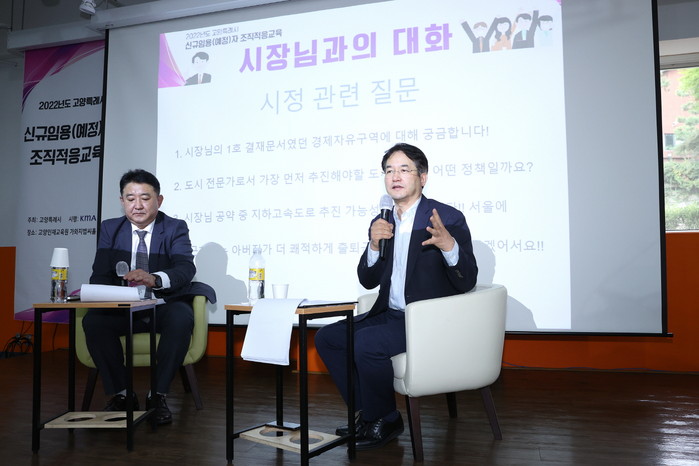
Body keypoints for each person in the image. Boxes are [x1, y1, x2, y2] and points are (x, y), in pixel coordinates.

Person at [315, 143, 478, 450]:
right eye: (389, 170)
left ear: (422, 177)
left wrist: (449, 246)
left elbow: (467, 280)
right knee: (328, 338)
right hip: (389, 314)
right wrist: (374, 245)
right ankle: (369, 414)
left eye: (404, 169)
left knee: (367, 343)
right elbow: (368, 280)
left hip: (426, 320)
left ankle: (386, 419)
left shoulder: (446, 218)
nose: (395, 176)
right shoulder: (383, 221)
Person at [83, 169, 215, 425]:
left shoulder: (174, 227)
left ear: (159, 200)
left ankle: (158, 395)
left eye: (145, 198)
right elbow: (99, 274)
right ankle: (122, 394)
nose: (138, 205)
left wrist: (154, 278)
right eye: (130, 198)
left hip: (161, 304)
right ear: (122, 201)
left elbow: (185, 268)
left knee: (181, 318)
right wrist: (118, 292)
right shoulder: (110, 228)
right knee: (94, 322)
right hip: (124, 307)